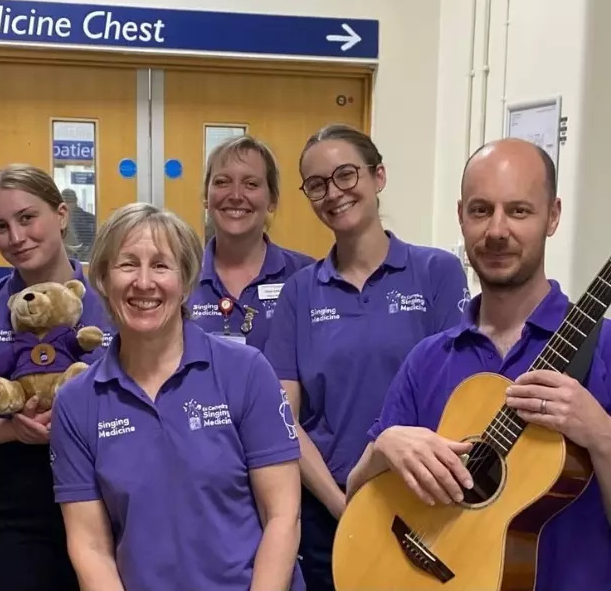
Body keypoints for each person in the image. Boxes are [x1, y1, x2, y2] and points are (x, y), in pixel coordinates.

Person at [347, 138, 611, 590]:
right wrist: (382, 448)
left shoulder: (604, 348)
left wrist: (601, 434)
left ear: (553, 216)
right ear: (461, 217)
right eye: (481, 210)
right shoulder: (429, 359)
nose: (497, 230)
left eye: (520, 211)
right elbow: (357, 501)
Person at [49, 202, 304, 591]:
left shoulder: (245, 371)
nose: (144, 282)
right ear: (101, 278)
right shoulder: (76, 402)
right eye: (127, 264)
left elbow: (283, 515)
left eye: (162, 265)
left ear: (186, 282)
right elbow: (90, 547)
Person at [263, 124, 469, 591]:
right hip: (328, 509)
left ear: (378, 176)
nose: (332, 193)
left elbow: (460, 394)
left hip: (426, 503)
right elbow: (284, 418)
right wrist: (342, 503)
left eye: (346, 175)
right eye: (316, 184)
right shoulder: (300, 292)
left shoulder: (436, 273)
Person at [0, 164, 115, 591]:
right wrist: (13, 430)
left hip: (109, 500)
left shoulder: (112, 300)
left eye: (27, 218)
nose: (16, 238)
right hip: (10, 512)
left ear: (62, 214)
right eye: (0, 226)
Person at [187, 134, 315, 350]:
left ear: (272, 200)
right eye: (222, 182)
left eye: (251, 184)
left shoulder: (306, 276)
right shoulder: (181, 277)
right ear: (206, 198)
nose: (236, 195)